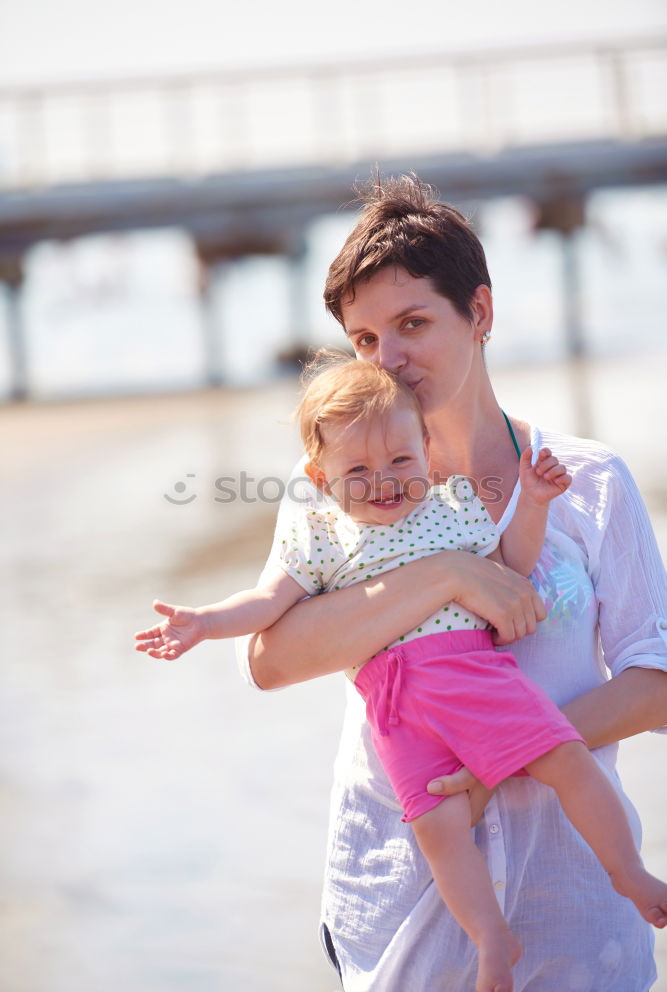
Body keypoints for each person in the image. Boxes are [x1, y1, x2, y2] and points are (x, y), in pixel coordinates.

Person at [233, 176, 667, 991]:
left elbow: (656, 680)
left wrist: (506, 754)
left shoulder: (587, 480)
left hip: (569, 896)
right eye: (363, 339)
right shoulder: (338, 488)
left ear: (480, 314)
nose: (387, 358)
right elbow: (269, 660)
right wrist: (443, 575)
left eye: (411, 323)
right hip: (402, 895)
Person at [136, 354, 667, 992]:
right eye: (357, 470)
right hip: (398, 707)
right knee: (440, 832)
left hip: (475, 678)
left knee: (566, 760)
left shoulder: (450, 508)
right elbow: (269, 604)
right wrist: (203, 621)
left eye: (400, 462)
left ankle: (626, 871)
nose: (383, 481)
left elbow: (511, 567)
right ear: (320, 476)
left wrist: (532, 503)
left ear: (425, 452)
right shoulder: (322, 534)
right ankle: (490, 936)